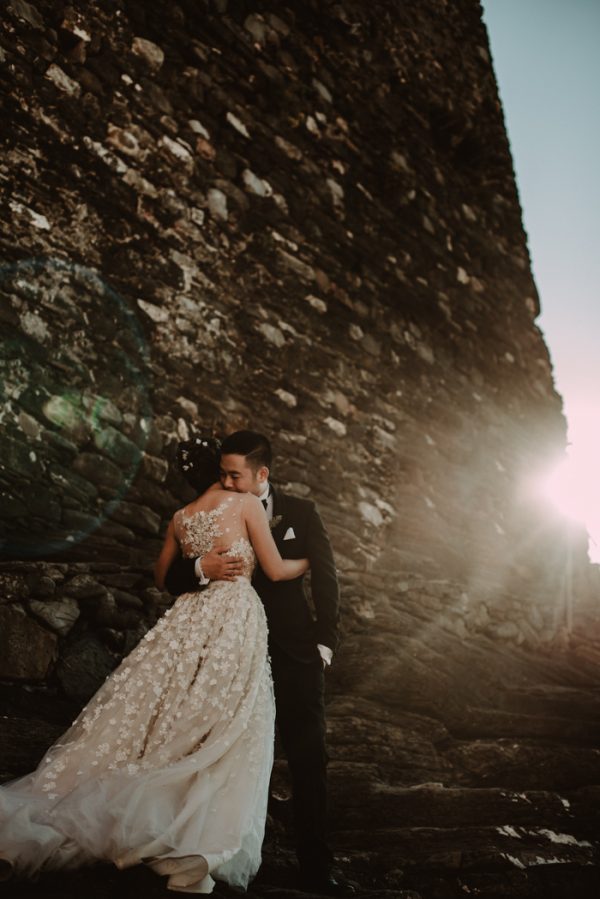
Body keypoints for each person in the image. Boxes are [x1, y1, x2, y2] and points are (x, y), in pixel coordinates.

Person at [0, 436, 308, 894]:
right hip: (235, 618)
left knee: (169, 706)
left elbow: (163, 577)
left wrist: (200, 564)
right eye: (225, 471)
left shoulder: (180, 518)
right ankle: (190, 831)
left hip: (186, 617)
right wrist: (313, 561)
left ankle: (164, 807)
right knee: (226, 719)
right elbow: (278, 570)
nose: (229, 479)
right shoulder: (245, 504)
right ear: (218, 469)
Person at [164, 430, 345, 895]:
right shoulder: (222, 507)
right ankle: (225, 847)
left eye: (234, 474)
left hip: (294, 650)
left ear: (261, 474)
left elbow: (325, 574)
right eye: (222, 472)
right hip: (235, 647)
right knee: (226, 749)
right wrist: (203, 568)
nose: (226, 481)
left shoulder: (301, 512)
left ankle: (315, 865)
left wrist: (325, 642)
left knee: (308, 756)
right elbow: (174, 572)